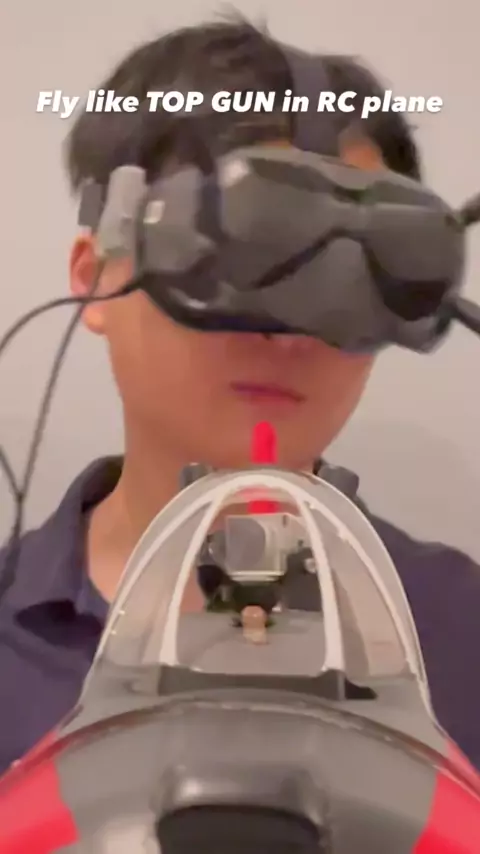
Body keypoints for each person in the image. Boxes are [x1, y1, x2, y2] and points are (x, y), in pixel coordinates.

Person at [1, 16, 479, 777]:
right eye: (237, 258)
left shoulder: (464, 627)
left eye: (346, 282)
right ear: (95, 277)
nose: (288, 336)